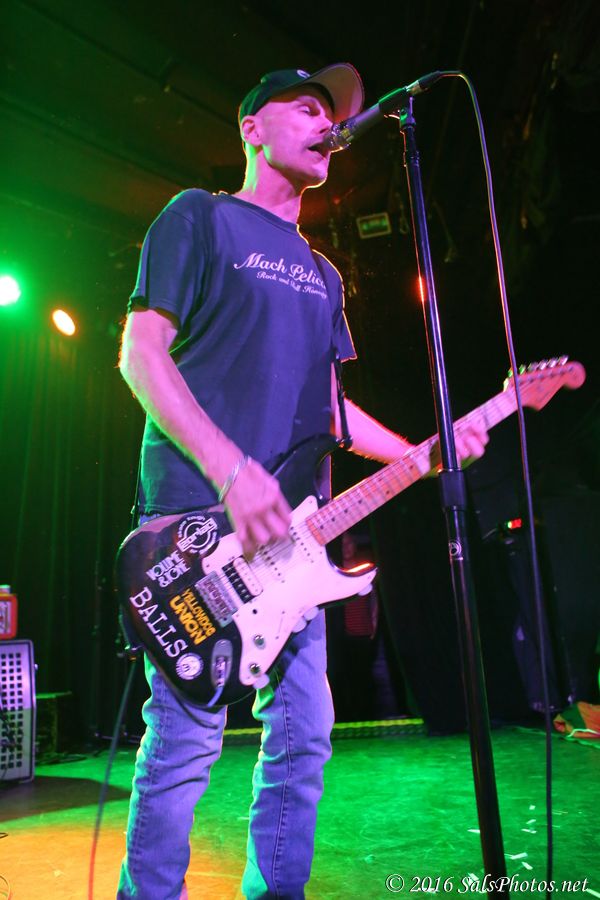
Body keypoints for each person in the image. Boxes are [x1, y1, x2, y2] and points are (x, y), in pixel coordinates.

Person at [117, 63, 489, 899]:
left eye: (334, 114)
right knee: (184, 743)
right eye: (309, 105)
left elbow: (333, 411)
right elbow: (140, 355)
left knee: (305, 736)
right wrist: (231, 471)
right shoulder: (198, 216)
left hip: (293, 541)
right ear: (251, 128)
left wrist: (423, 451)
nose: (328, 122)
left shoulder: (324, 274)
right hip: (196, 526)